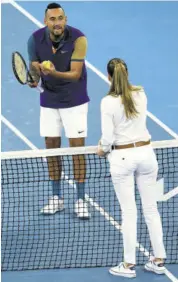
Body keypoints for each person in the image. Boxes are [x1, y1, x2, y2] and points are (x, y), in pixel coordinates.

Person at [97, 58, 166, 278]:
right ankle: (158, 259)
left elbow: (107, 139)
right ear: (126, 74)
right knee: (151, 209)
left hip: (123, 158)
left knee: (129, 212)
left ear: (109, 76)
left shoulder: (107, 102)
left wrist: (101, 149)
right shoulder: (141, 94)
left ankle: (128, 266)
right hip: (147, 156)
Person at [27, 2, 90, 219]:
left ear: (65, 19)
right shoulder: (34, 39)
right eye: (52, 19)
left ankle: (81, 200)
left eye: (60, 18)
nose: (57, 23)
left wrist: (52, 72)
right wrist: (34, 79)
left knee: (76, 150)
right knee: (51, 148)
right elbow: (33, 68)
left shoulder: (79, 39)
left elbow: (74, 74)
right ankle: (56, 198)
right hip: (49, 101)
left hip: (75, 100)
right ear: (46, 21)